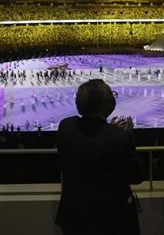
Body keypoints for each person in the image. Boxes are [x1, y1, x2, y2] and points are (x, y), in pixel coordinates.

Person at [56, 79, 144, 235]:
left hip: (74, 217)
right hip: (112, 221)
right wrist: (124, 136)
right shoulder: (119, 138)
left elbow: (92, 140)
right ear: (106, 105)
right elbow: (136, 176)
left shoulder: (65, 127)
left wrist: (110, 131)